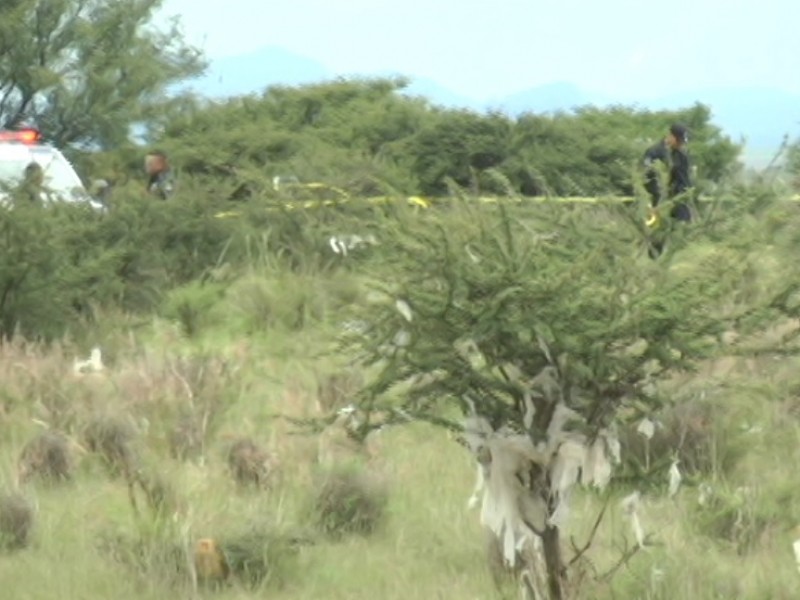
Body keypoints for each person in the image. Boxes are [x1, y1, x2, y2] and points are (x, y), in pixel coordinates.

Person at [643, 123, 693, 222]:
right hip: (657, 201)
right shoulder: (654, 152)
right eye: (679, 141)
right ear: (671, 136)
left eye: (682, 142)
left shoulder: (681, 156)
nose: (681, 144)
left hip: (678, 201)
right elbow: (646, 175)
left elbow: (684, 179)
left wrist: (685, 195)